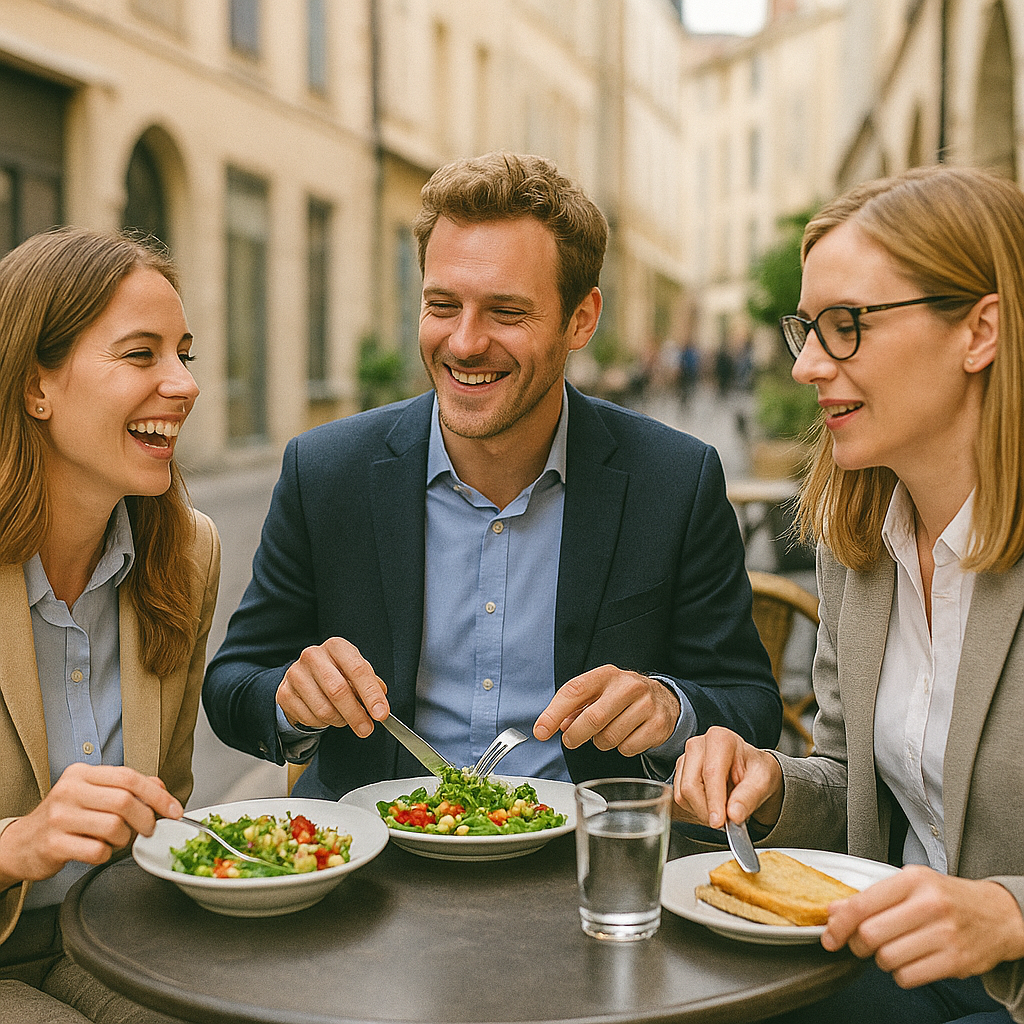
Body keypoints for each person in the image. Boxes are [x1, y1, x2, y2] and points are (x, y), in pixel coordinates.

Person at [203, 152, 779, 799]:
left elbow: (749, 702)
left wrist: (670, 710)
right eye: (443, 304)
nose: (465, 342)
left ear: (580, 320)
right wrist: (289, 697)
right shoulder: (326, 470)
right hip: (370, 864)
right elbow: (232, 685)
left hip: (580, 864)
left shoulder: (674, 480)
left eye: (506, 312)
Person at [673, 165, 1024, 1024]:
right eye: (806, 328)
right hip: (894, 978)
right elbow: (848, 780)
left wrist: (1009, 912)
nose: (803, 365)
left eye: (846, 327)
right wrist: (771, 783)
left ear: (979, 331)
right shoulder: (857, 538)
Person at [0, 228, 220, 1023]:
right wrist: (16, 845)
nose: (183, 384)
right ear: (36, 388)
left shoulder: (188, 554)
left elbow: (172, 801)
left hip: (122, 936)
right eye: (140, 355)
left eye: (183, 354)